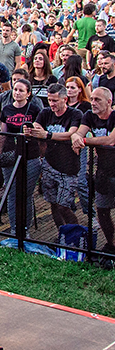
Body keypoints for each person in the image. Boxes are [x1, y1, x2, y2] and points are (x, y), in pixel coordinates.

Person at [28, 83, 81, 229]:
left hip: (68, 167)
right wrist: (33, 129)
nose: (52, 104)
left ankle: (75, 235)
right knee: (53, 203)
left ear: (65, 99)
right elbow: (36, 125)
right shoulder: (46, 112)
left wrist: (48, 135)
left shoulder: (75, 114)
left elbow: (71, 133)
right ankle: (61, 233)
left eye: (55, 100)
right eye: (50, 100)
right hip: (49, 164)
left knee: (64, 205)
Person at [0, 78, 42, 236]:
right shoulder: (7, 109)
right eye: (15, 89)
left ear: (28, 93)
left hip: (31, 155)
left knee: (26, 194)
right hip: (10, 155)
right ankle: (14, 229)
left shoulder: (34, 110)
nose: (17, 93)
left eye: (21, 90)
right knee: (12, 193)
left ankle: (25, 229)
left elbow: (40, 131)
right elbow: (3, 133)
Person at [72, 87, 115, 256]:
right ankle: (111, 244)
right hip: (103, 170)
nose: (93, 103)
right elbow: (78, 133)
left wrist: (84, 140)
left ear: (109, 102)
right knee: (102, 209)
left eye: (98, 100)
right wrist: (76, 138)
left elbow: (111, 140)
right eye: (92, 99)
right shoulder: (89, 115)